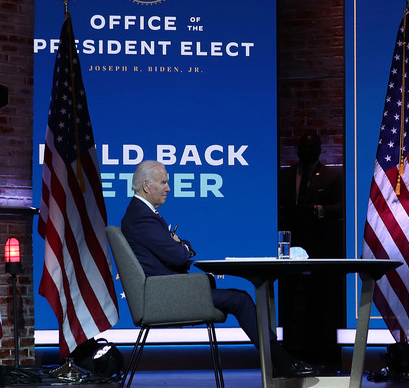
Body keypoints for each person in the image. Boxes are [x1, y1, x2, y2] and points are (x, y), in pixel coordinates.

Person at [121, 160, 316, 377]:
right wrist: (182, 245)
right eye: (164, 182)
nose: (168, 188)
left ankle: (279, 360)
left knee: (237, 297)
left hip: (168, 290)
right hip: (166, 295)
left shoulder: (140, 213)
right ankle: (281, 360)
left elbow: (179, 252)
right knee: (240, 300)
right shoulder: (142, 217)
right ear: (147, 186)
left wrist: (180, 245)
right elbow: (179, 257)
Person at [278, 132, 344, 369]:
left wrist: (317, 209)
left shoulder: (332, 175)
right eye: (303, 146)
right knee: (291, 304)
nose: (307, 150)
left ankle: (322, 356)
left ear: (319, 149)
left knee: (320, 304)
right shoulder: (284, 175)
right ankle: (290, 356)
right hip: (288, 251)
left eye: (312, 146)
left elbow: (340, 207)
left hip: (321, 250)